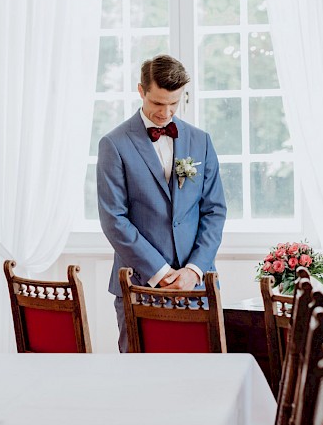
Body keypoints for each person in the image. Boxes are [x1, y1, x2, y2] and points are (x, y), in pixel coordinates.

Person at [97, 54, 227, 352]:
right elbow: (113, 219)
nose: (165, 112)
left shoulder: (200, 140)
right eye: (158, 103)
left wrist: (194, 270)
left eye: (174, 103)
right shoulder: (114, 144)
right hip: (141, 284)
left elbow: (214, 210)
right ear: (141, 91)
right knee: (142, 384)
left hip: (198, 286)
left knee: (203, 381)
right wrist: (161, 272)